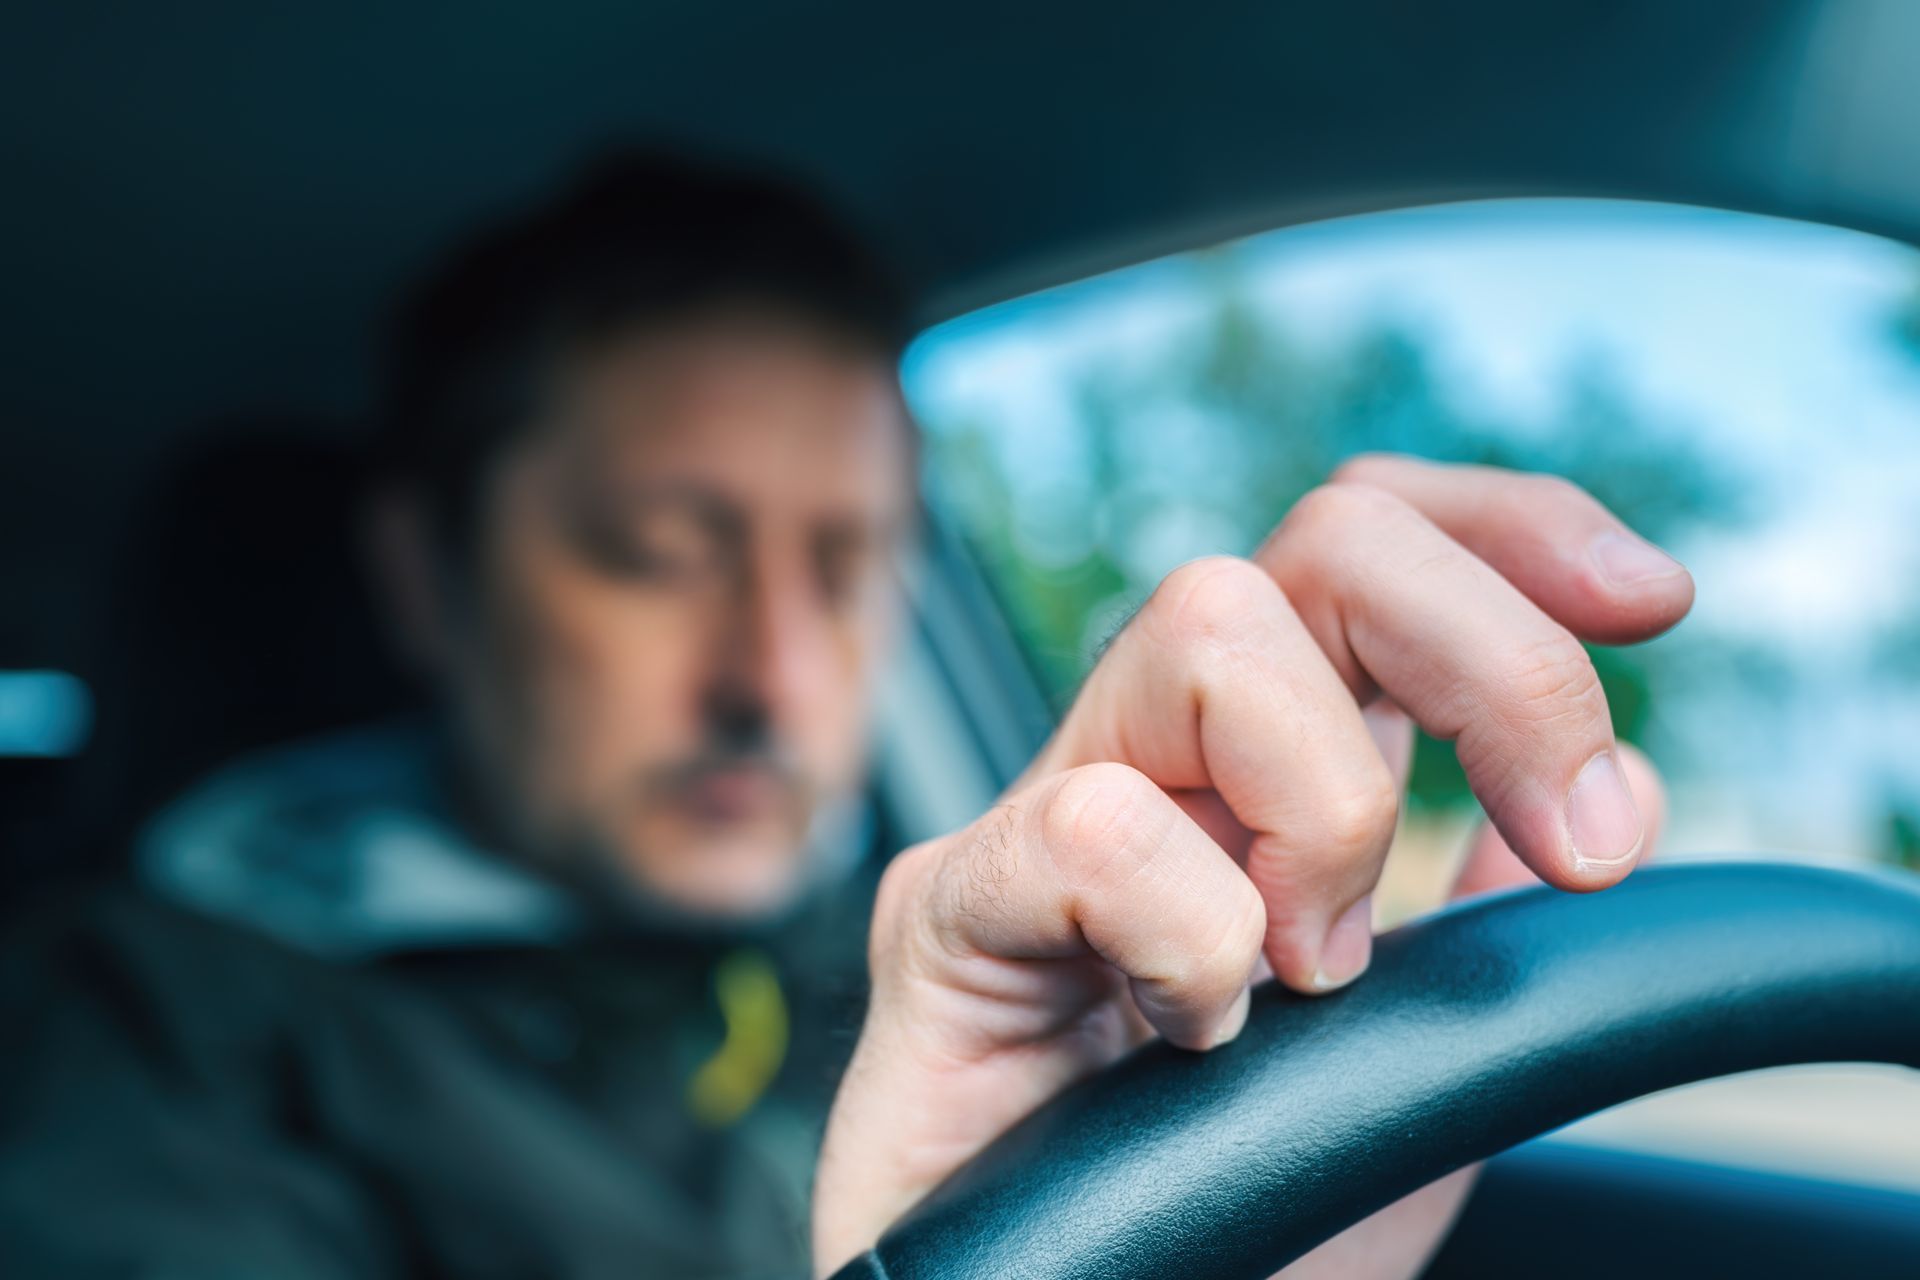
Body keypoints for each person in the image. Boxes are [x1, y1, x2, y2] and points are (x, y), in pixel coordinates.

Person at [0, 149, 1688, 1280]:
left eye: (851, 564)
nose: (773, 673)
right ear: (428, 578)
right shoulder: (135, 1040)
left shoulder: (928, 984)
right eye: (663, 552)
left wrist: (1163, 1183)